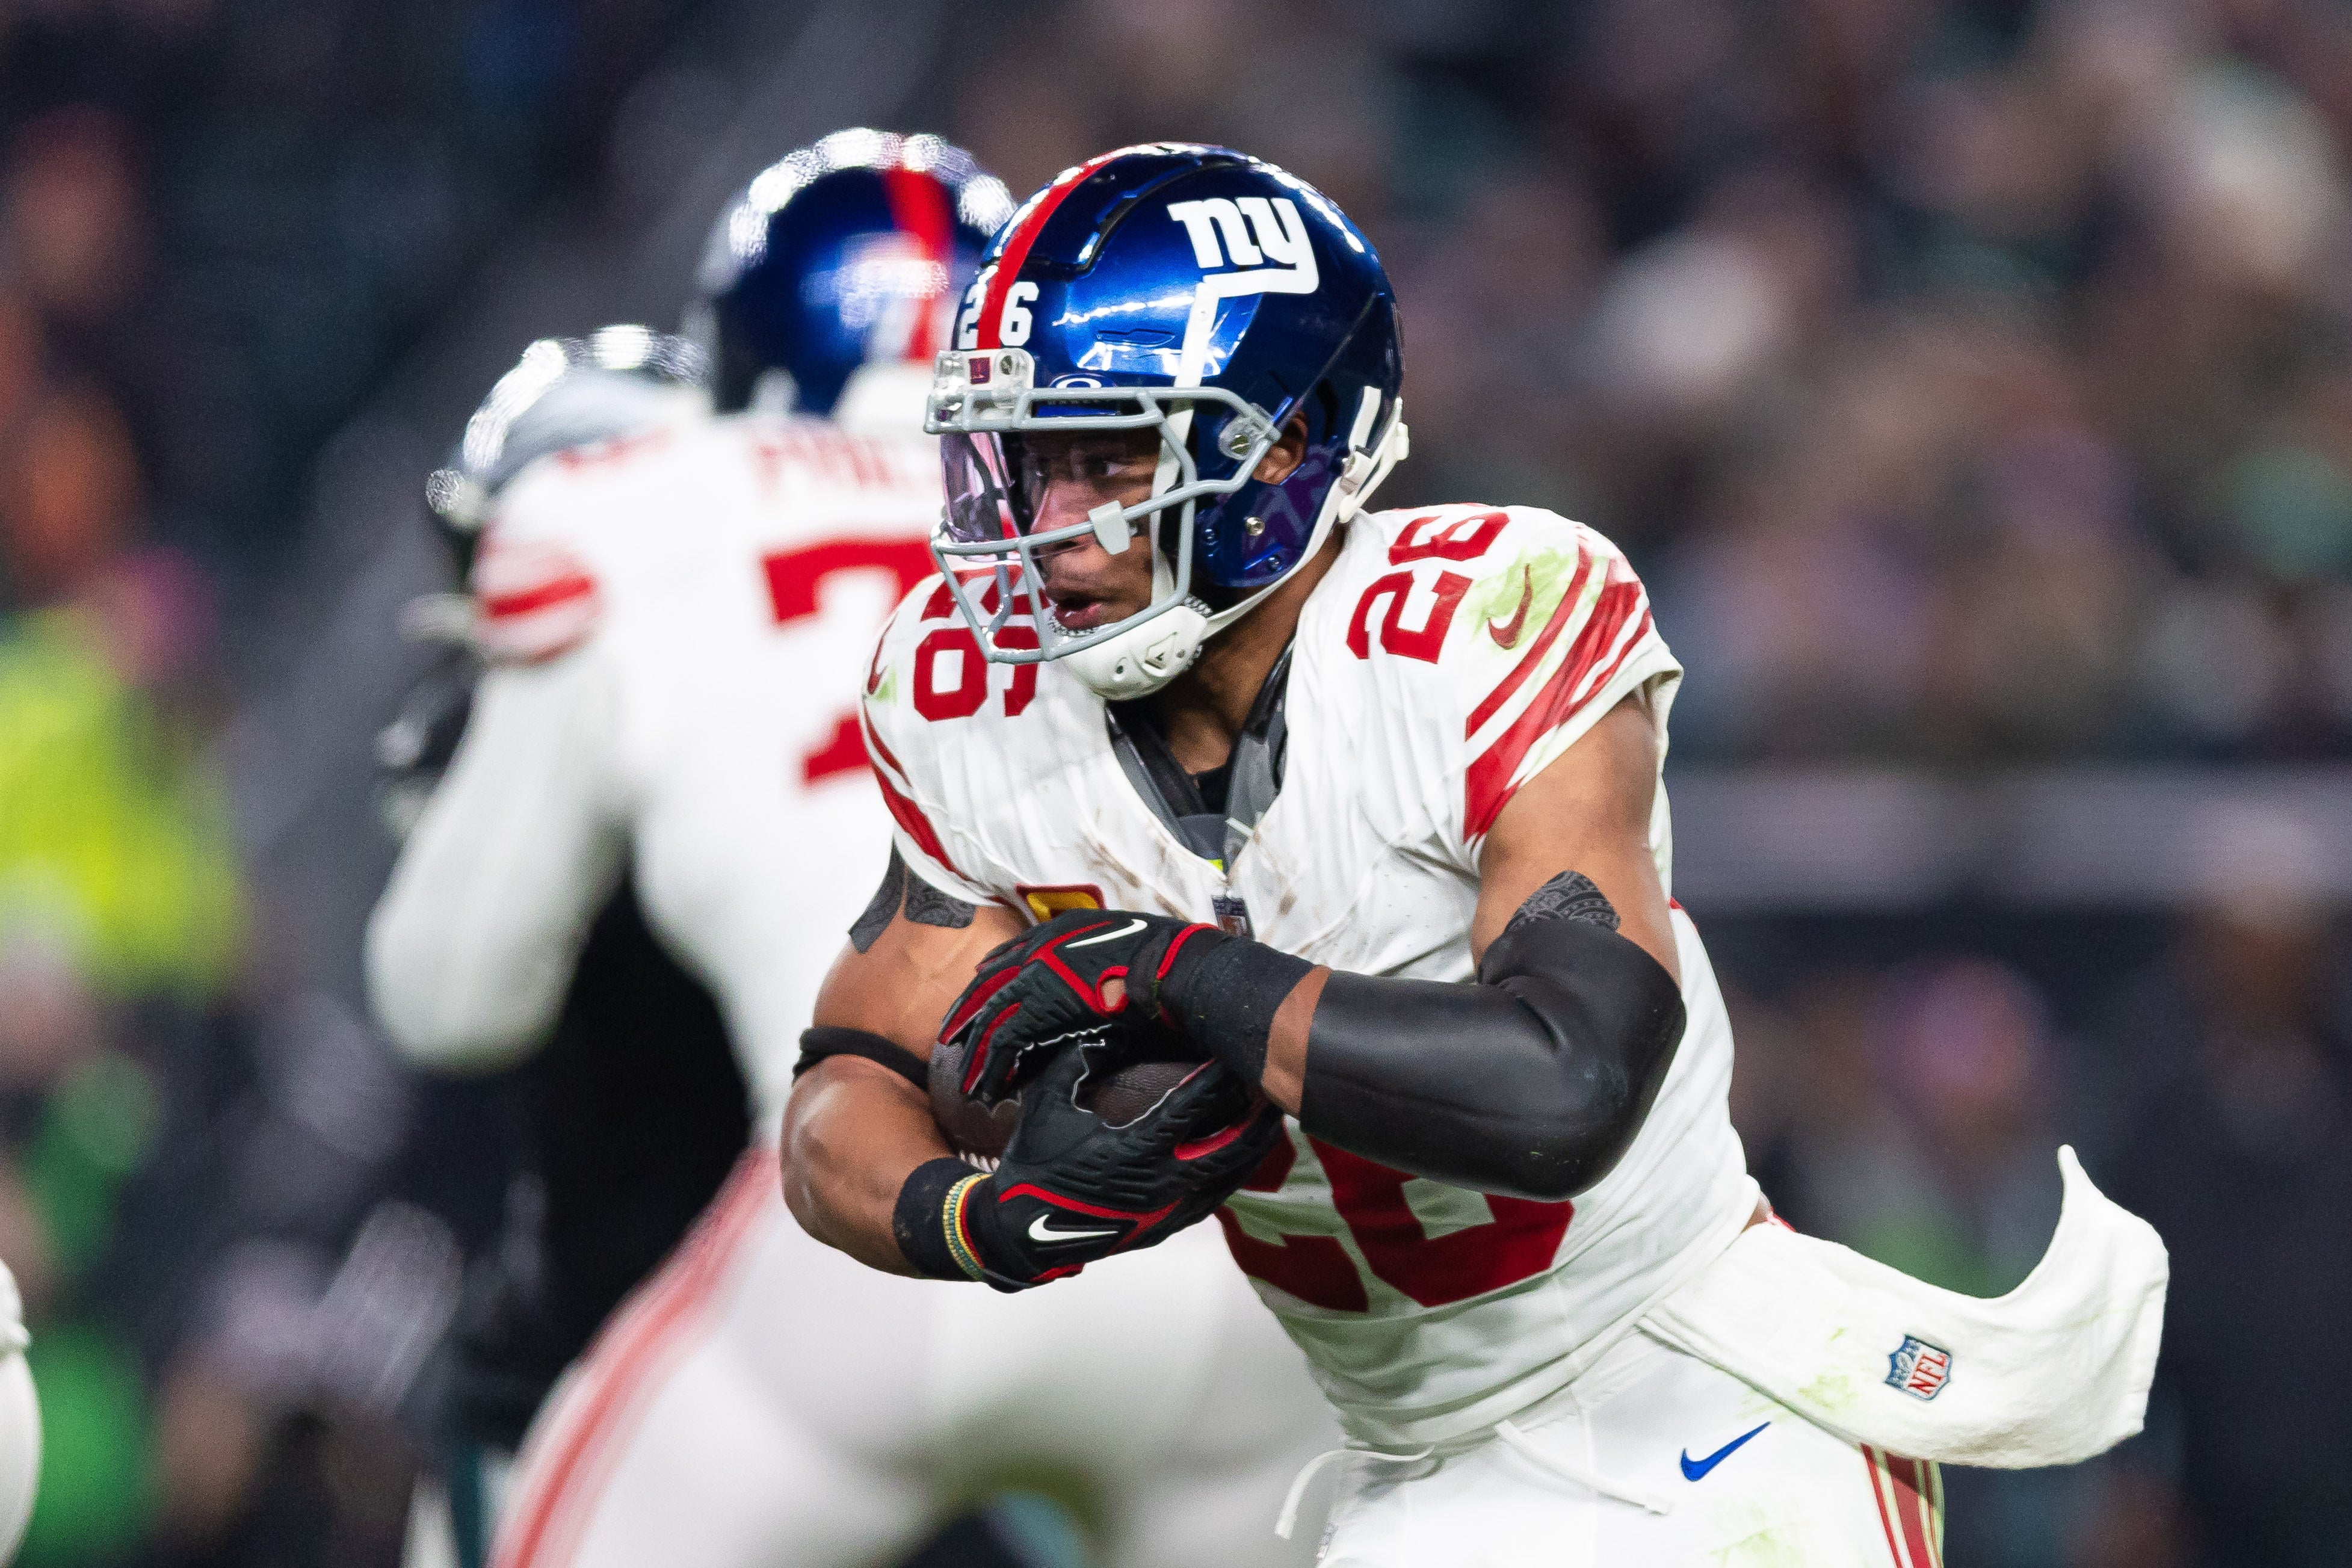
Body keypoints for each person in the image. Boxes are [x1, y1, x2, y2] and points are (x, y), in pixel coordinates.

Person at [785, 143, 2167, 1567]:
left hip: (1695, 1399)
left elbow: (1567, 1085)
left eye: (1109, 455)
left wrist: (1188, 978)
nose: (1050, 526)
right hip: (1409, 1471)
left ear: (1281, 443)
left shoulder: (1481, 622)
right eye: (1026, 460)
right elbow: (847, 1083)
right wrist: (967, 1217)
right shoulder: (974, 699)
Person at [367, 130, 1335, 1568]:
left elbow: (451, 999)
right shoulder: (1145, 509)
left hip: (876, 1211)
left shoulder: (626, 506)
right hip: (1230, 1228)